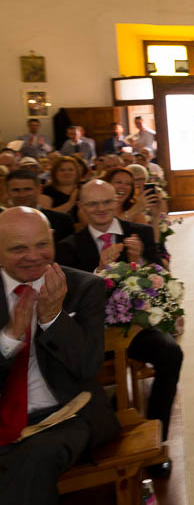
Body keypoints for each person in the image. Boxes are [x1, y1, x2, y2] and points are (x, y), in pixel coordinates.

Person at [0, 207, 121, 505]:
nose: (33, 255)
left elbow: (88, 367)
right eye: (19, 248)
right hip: (5, 415)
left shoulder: (83, 287)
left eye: (42, 244)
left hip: (67, 412)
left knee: (33, 458)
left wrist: (53, 319)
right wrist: (9, 338)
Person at [54, 181, 182, 461]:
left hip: (135, 327)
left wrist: (142, 261)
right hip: (90, 332)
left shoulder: (140, 232)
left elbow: (164, 280)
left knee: (171, 353)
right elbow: (67, 300)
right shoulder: (69, 247)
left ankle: (157, 441)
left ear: (117, 202)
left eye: (106, 202)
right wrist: (98, 271)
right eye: (92, 204)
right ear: (82, 208)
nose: (101, 209)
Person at [3, 170, 75, 243]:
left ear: (39, 189)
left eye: (28, 189)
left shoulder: (62, 221)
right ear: (7, 192)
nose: (22, 195)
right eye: (16, 190)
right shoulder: (2, 221)